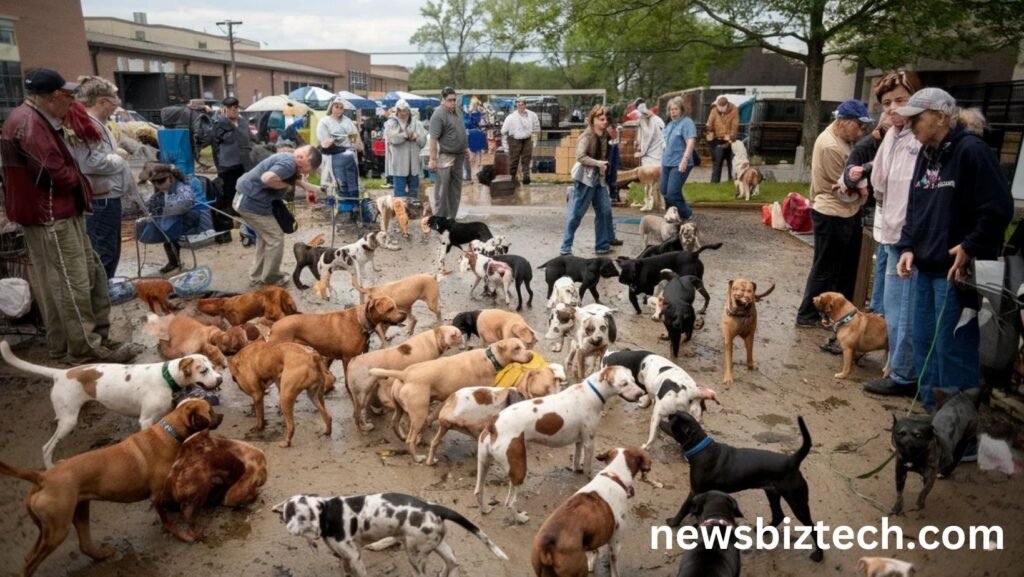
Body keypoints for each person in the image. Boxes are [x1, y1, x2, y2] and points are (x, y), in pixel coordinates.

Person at [0, 68, 139, 363]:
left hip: (57, 212)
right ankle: (83, 349)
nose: (73, 101)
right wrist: (80, 180)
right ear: (52, 98)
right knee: (72, 284)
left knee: (90, 275)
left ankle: (78, 342)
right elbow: (53, 173)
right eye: (67, 95)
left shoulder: (37, 120)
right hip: (50, 216)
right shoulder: (30, 125)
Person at [894, 88, 1012, 411]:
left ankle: (959, 436)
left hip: (956, 275)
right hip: (925, 268)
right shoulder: (926, 153)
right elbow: (916, 206)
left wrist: (971, 245)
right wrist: (907, 246)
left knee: (952, 353)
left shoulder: (972, 152)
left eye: (918, 117)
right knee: (924, 348)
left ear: (942, 117)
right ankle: (935, 423)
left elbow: (999, 207)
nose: (911, 124)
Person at [856, 72, 924, 398]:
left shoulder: (920, 139)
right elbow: (879, 184)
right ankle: (897, 367)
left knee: (906, 306)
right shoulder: (893, 137)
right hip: (889, 232)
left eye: (901, 100)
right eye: (887, 103)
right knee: (893, 307)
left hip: (910, 238)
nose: (894, 108)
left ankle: (905, 374)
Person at [794, 100, 874, 333]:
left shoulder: (843, 140)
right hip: (833, 212)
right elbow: (844, 188)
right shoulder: (831, 146)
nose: (862, 132)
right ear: (845, 122)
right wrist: (863, 191)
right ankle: (807, 314)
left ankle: (835, 311)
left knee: (840, 267)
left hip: (843, 212)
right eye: (859, 126)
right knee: (825, 267)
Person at [67, 75, 139, 279]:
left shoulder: (96, 124)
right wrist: (118, 157)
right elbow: (91, 162)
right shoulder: (89, 125)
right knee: (105, 251)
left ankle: (104, 290)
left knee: (108, 247)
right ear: (103, 101)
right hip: (101, 198)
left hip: (106, 196)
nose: (116, 107)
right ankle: (103, 293)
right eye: (114, 102)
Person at [235, 145, 322, 287]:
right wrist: (285, 186)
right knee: (275, 238)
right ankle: (271, 278)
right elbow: (267, 178)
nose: (305, 172)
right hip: (250, 203)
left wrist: (308, 187)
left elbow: (290, 177)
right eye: (306, 168)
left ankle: (257, 276)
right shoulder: (289, 164)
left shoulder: (290, 161)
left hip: (250, 200)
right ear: (302, 159)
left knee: (266, 238)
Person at [560, 105, 615, 256]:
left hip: (599, 179)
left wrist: (603, 166)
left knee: (604, 210)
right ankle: (565, 247)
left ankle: (602, 245)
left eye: (606, 119)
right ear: (593, 119)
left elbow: (605, 155)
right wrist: (598, 163)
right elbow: (580, 156)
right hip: (585, 179)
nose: (604, 122)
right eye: (601, 119)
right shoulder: (587, 136)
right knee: (576, 214)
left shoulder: (605, 135)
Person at [207, 97, 253, 244]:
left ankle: (248, 230)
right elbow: (216, 144)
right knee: (226, 199)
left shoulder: (243, 122)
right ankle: (224, 232)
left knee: (245, 197)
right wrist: (219, 167)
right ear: (224, 108)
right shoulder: (219, 123)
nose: (234, 109)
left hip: (244, 165)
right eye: (230, 107)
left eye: (235, 107)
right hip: (227, 167)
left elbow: (249, 140)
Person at [138, 163, 193, 274]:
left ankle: (174, 263)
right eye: (154, 182)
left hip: (184, 219)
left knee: (170, 236)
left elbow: (185, 203)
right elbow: (149, 203)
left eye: (161, 181)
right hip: (167, 219)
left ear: (170, 178)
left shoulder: (182, 187)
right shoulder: (159, 192)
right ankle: (173, 261)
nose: (158, 185)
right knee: (155, 232)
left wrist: (165, 206)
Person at [428, 87, 468, 218]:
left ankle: (452, 218)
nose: (452, 102)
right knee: (442, 189)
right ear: (443, 100)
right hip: (445, 155)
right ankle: (439, 218)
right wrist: (433, 159)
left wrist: (467, 149)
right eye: (449, 100)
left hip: (459, 154)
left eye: (454, 100)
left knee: (456, 189)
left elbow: (462, 130)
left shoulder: (457, 111)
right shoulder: (438, 115)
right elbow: (433, 138)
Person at [317, 97, 363, 198]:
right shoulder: (324, 122)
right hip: (333, 155)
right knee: (339, 182)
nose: (338, 109)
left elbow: (355, 136)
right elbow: (324, 142)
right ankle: (339, 205)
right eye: (336, 107)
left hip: (349, 153)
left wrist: (357, 144)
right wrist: (331, 140)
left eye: (341, 107)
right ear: (331, 107)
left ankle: (353, 205)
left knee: (352, 181)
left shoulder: (348, 121)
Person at [661, 96, 697, 219]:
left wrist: (685, 160)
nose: (673, 111)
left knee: (672, 193)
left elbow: (691, 142)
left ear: (681, 109)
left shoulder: (687, 123)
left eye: (676, 109)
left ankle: (686, 214)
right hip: (667, 162)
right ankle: (672, 215)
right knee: (665, 190)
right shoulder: (669, 125)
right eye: (671, 109)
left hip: (680, 162)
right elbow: (664, 144)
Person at [385, 99, 427, 199]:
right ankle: (401, 215)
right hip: (399, 166)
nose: (403, 113)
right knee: (399, 197)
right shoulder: (391, 124)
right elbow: (392, 139)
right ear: (397, 111)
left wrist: (417, 137)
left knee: (414, 195)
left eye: (405, 110)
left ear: (409, 111)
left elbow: (423, 142)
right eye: (400, 110)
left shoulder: (417, 124)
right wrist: (405, 135)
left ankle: (413, 214)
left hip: (414, 167)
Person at [632, 99, 665, 211]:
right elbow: (641, 136)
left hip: (654, 154)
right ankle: (652, 203)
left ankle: (656, 203)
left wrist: (641, 152)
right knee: (651, 181)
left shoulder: (655, 121)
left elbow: (652, 138)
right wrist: (638, 143)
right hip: (650, 155)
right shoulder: (645, 120)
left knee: (653, 181)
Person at [501, 97, 540, 186]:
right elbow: (503, 132)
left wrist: (534, 140)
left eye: (522, 104)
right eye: (518, 104)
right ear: (516, 106)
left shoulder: (532, 115)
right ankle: (511, 179)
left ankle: (526, 178)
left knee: (526, 159)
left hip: (527, 139)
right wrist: (506, 147)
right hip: (514, 139)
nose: (520, 106)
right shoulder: (510, 118)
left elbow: (536, 128)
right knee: (514, 160)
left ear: (525, 105)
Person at [706, 95, 739, 183]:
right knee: (717, 161)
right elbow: (709, 124)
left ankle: (732, 181)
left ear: (727, 105)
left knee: (731, 162)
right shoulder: (714, 110)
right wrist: (710, 133)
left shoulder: (734, 110)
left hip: (730, 140)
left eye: (722, 108)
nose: (720, 109)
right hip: (717, 140)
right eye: (719, 107)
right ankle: (714, 183)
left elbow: (734, 126)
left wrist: (730, 137)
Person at [465, 98, 488, 183]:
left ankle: (476, 174)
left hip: (477, 134)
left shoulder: (479, 114)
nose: (475, 106)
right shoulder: (469, 115)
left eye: (475, 104)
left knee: (478, 154)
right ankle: (473, 174)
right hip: (473, 135)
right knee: (473, 155)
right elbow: (466, 125)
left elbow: (484, 124)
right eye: (474, 104)